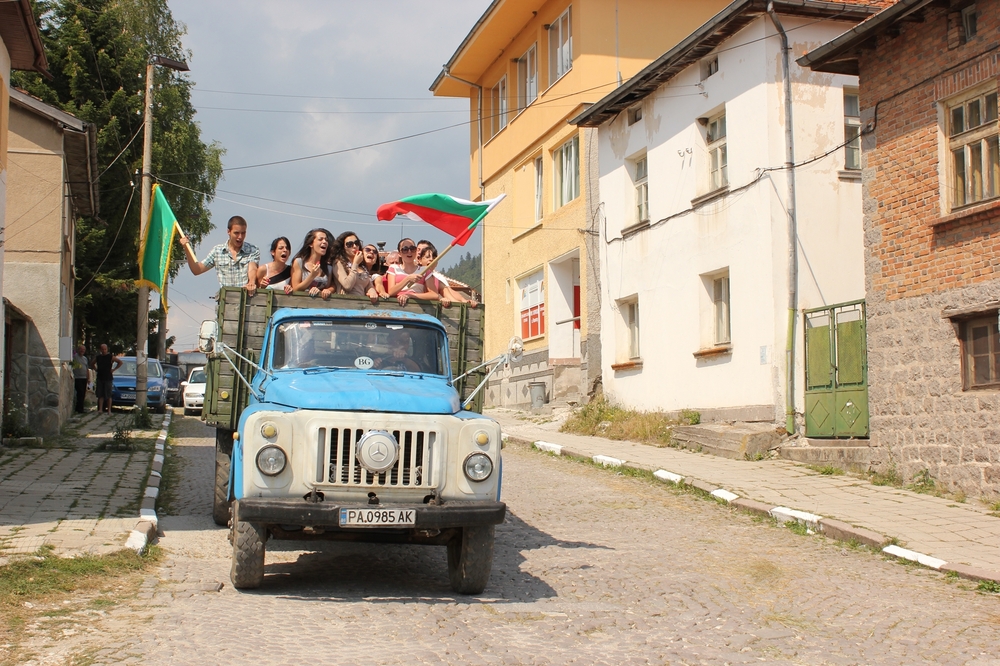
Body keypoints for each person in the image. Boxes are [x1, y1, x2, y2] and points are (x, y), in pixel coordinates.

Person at [179, 216, 260, 295]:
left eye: (243, 233)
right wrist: (186, 248)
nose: (240, 237)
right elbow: (197, 270)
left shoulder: (252, 250)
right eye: (236, 233)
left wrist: (251, 282)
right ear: (228, 232)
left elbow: (252, 268)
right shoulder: (217, 251)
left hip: (247, 299)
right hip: (226, 300)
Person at [419, 242, 478, 308]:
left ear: (437, 262)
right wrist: (439, 299)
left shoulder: (437, 280)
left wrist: (465, 302)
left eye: (434, 257)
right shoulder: (414, 275)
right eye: (427, 257)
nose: (431, 259)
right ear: (420, 260)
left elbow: (449, 293)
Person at [386, 238, 439, 306]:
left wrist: (410, 295)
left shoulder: (424, 270)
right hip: (397, 306)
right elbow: (391, 292)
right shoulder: (394, 268)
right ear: (399, 253)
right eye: (405, 249)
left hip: (417, 307)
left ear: (416, 251)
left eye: (412, 248)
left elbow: (434, 295)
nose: (409, 251)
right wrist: (408, 279)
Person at [333, 231, 379, 304]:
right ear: (343, 248)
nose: (354, 246)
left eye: (356, 243)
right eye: (349, 244)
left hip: (361, 305)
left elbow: (368, 285)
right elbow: (347, 286)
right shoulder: (338, 263)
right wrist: (355, 264)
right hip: (345, 304)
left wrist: (372, 292)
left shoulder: (362, 266)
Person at [290, 228, 336, 298]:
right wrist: (312, 276)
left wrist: (328, 290)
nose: (324, 242)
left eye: (326, 240)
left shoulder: (328, 268)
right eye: (320, 239)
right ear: (311, 244)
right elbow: (295, 289)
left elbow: (332, 286)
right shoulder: (299, 262)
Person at [90, 344, 122, 415]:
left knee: (108, 395)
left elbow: (120, 362)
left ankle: (109, 410)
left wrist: (113, 369)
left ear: (107, 349)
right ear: (100, 350)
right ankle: (100, 409)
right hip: (100, 377)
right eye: (102, 349)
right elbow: (92, 363)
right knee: (100, 394)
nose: (104, 351)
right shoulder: (98, 357)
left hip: (108, 378)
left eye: (105, 349)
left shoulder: (110, 357)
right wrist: (96, 369)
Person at [72, 345, 89, 413]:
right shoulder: (75, 357)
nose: (82, 351)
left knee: (83, 393)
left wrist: (88, 378)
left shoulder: (85, 358)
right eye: (81, 349)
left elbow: (87, 369)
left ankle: (80, 407)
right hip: (77, 377)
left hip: (84, 378)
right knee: (80, 393)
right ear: (78, 349)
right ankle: (79, 409)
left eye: (83, 350)